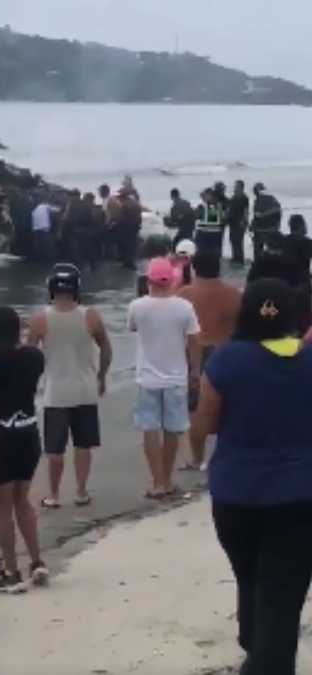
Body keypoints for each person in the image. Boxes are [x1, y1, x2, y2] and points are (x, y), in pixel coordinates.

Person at [190, 279, 312, 675]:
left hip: (235, 494)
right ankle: (265, 659)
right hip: (299, 496)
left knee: (249, 573)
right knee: (282, 591)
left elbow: (205, 424)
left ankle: (256, 649)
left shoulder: (226, 360)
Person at [0, 307, 49, 593]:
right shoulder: (35, 357)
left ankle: (11, 571)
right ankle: (38, 561)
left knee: (3, 508)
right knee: (23, 501)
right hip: (28, 434)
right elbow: (29, 350)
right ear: (19, 328)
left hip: (0, 438)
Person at [27, 263, 112, 508]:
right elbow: (106, 348)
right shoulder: (91, 316)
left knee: (54, 449)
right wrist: (102, 377)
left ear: (51, 288)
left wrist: (31, 386)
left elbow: (29, 357)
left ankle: (53, 495)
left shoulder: (40, 319)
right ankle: (81, 492)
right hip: (85, 389)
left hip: (56, 393)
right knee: (83, 445)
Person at [128, 259, 201, 499]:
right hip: (176, 379)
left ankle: (157, 482)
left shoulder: (137, 306)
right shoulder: (184, 307)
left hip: (147, 379)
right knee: (172, 430)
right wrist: (195, 373)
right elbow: (194, 343)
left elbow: (133, 329)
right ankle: (167, 480)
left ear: (148, 280)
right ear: (172, 280)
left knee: (149, 430)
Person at [176, 252, 241, 470]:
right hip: (226, 353)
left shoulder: (183, 295)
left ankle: (197, 458)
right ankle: (225, 453)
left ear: (194, 269)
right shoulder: (234, 295)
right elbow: (242, 330)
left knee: (196, 411)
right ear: (219, 268)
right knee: (230, 408)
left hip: (194, 352)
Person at [250, 182, 282, 262]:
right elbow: (256, 216)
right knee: (258, 251)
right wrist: (252, 225)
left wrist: (263, 215)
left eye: (255, 191)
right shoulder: (257, 200)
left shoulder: (270, 198)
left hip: (269, 230)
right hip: (260, 230)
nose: (255, 193)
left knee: (271, 251)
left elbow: (277, 209)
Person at [194, 188, 225, 259]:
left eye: (206, 195)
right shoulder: (213, 205)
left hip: (208, 234)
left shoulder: (212, 206)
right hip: (211, 233)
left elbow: (212, 221)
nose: (203, 197)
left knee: (208, 254)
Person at [227, 179, 250, 267]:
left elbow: (246, 210)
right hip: (232, 221)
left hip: (239, 221)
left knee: (238, 241)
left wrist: (245, 221)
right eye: (235, 186)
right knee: (232, 240)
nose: (234, 187)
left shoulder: (244, 197)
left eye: (236, 186)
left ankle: (239, 259)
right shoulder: (234, 196)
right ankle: (235, 257)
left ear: (241, 187)